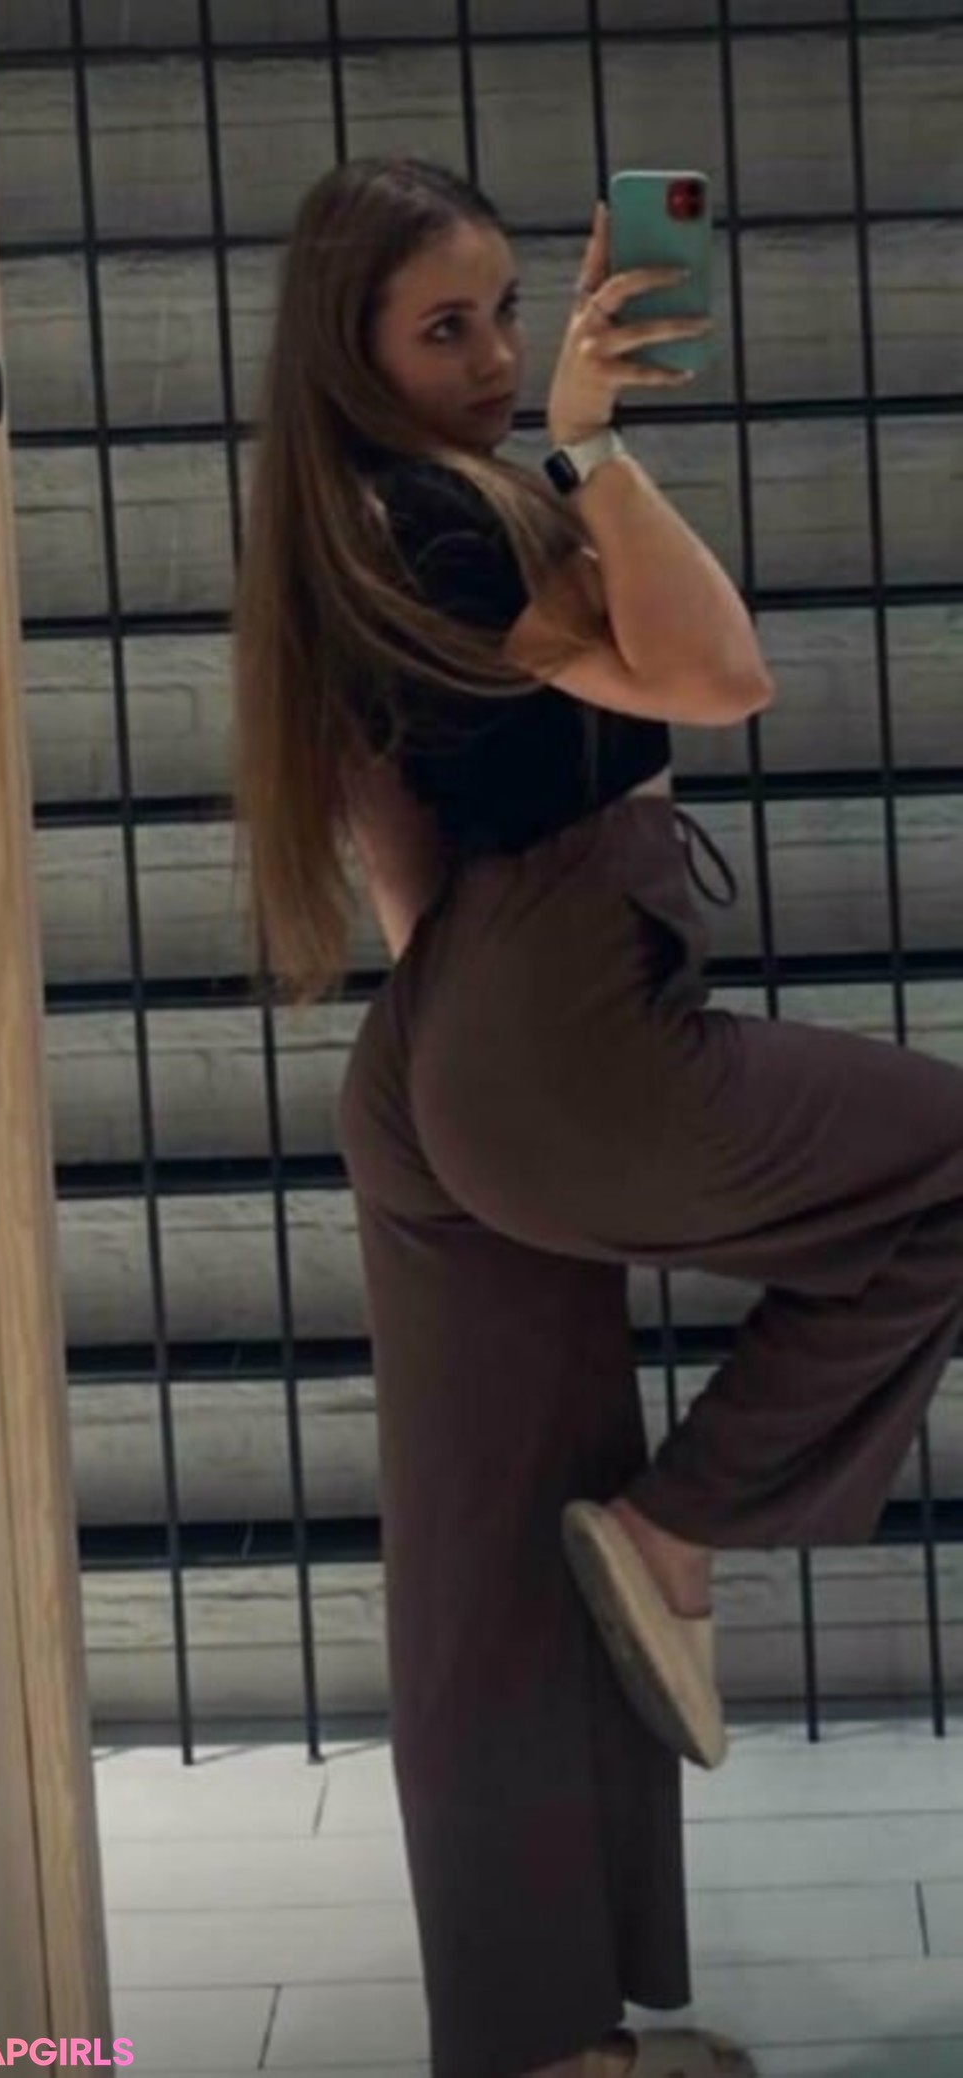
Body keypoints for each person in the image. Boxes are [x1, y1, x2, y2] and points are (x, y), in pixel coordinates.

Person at [231, 153, 963, 2078]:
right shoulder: (463, 516)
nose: (488, 357)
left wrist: (467, 1081)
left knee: (476, 1568)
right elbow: (723, 674)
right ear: (356, 351)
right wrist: (595, 448)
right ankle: (680, 1523)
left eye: (500, 311)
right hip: (542, 1011)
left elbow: (396, 846)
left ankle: (542, 2047)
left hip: (435, 1047)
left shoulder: (345, 533)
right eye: (442, 327)